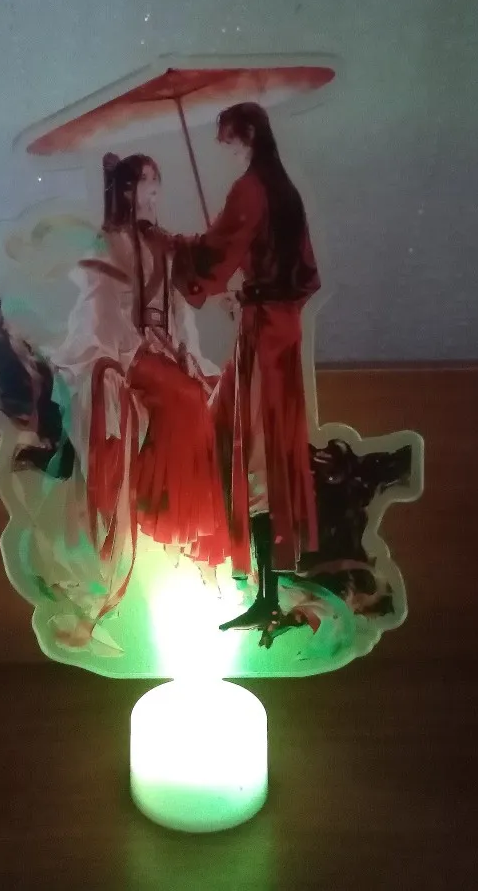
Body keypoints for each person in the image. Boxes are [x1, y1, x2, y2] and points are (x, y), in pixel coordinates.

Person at [141, 103, 320, 647]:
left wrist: (173, 244)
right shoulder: (284, 190)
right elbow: (300, 272)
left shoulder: (252, 190)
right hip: (280, 331)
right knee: (259, 445)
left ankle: (267, 596)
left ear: (246, 136)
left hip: (265, 337)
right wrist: (251, 290)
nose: (226, 149)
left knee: (251, 450)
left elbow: (215, 254)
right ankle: (266, 588)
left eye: (229, 140)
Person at [50, 152, 229, 629]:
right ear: (125, 191)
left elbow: (181, 306)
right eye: (141, 182)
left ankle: (193, 536)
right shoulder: (106, 242)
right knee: (184, 398)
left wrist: (184, 348)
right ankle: (166, 521)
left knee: (207, 394)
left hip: (164, 346)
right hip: (123, 349)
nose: (150, 190)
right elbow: (102, 312)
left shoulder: (163, 243)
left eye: (154, 181)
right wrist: (137, 349)